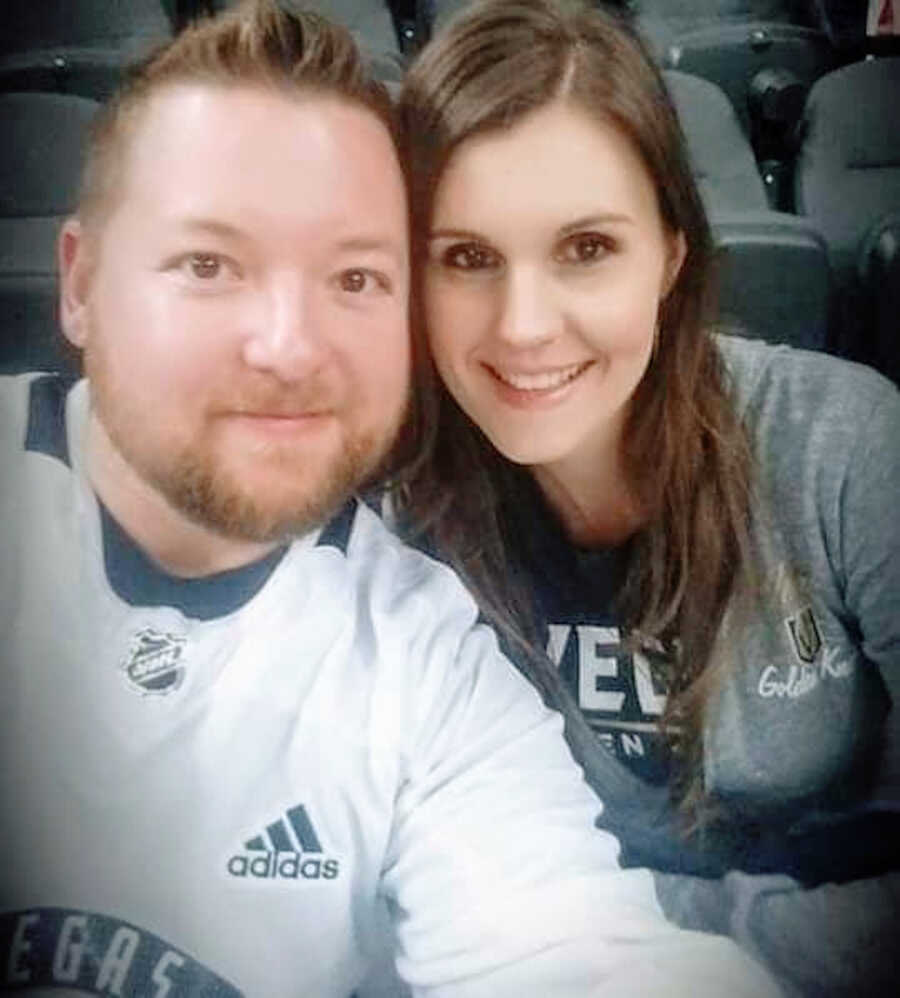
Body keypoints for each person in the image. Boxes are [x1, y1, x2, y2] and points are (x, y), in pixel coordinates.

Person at [0, 1, 786, 996]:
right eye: (208, 265)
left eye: (357, 276)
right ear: (80, 283)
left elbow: (577, 957)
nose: (287, 346)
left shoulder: (429, 655)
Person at [397, 0, 900, 994]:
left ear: (671, 251)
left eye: (586, 247)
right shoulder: (408, 518)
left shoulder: (846, 441)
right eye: (466, 256)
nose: (524, 324)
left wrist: (694, 934)